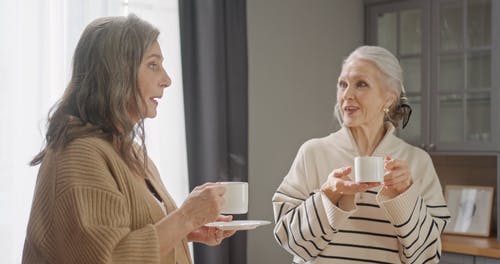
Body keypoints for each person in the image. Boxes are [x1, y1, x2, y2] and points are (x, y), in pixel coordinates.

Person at [23, 14, 236, 264]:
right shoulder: (79, 156)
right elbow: (109, 259)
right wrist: (185, 216)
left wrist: (184, 231)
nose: (167, 80)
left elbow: (127, 235)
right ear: (117, 72)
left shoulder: (131, 153)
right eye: (153, 65)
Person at [272, 46, 450, 263]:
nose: (347, 95)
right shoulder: (312, 153)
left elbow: (426, 256)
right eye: (342, 84)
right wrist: (328, 195)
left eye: (361, 84)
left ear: (389, 99)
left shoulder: (417, 162)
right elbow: (290, 240)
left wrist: (404, 196)